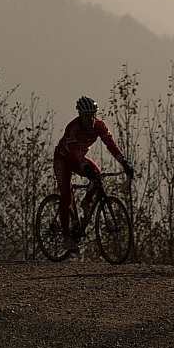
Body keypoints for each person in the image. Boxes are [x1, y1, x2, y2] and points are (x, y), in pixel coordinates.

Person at [54, 96, 134, 252]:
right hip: (63, 159)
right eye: (87, 116)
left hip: (78, 159)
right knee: (67, 197)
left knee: (97, 175)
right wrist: (84, 166)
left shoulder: (99, 126)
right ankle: (66, 237)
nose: (90, 119)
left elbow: (111, 145)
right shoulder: (73, 128)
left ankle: (86, 202)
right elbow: (75, 152)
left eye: (93, 115)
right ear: (80, 115)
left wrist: (123, 162)